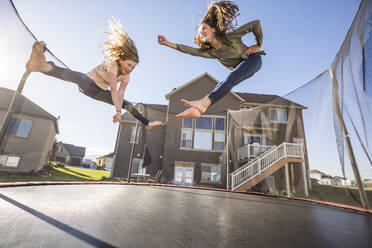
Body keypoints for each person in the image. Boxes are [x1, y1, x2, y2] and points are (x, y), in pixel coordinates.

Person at [26, 18, 162, 129]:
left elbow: (120, 93)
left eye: (133, 68)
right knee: (78, 77)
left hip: (99, 92)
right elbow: (114, 89)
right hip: (88, 82)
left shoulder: (127, 75)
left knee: (128, 104)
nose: (130, 69)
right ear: (121, 60)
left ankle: (147, 123)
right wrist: (118, 111)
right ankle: (42, 66)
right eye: (129, 65)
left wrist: (119, 110)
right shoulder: (113, 64)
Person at [158, 0, 265, 118]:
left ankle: (203, 104)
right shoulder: (211, 52)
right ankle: (199, 109)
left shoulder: (230, 38)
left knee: (231, 78)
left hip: (253, 59)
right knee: (225, 82)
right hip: (242, 69)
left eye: (204, 28)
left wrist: (258, 44)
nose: (201, 32)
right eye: (199, 32)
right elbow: (191, 51)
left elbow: (255, 24)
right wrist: (168, 43)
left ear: (213, 29)